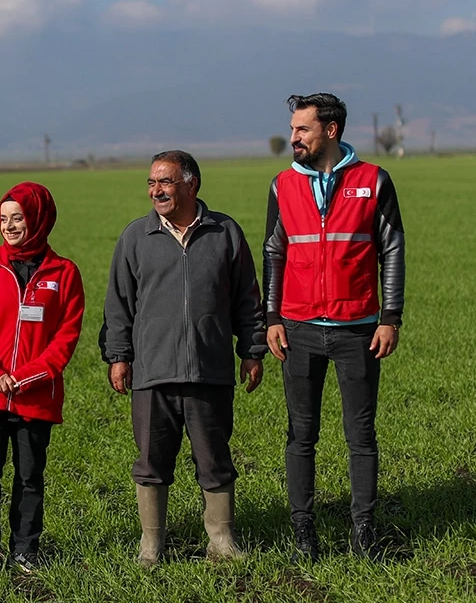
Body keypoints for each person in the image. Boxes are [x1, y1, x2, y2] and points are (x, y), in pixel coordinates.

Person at [99, 150, 266, 567]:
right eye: (152, 183)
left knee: (215, 459)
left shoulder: (225, 232)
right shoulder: (136, 237)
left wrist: (251, 350)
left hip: (210, 370)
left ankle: (221, 541)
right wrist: (119, 356)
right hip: (152, 372)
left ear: (192, 184)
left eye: (166, 182)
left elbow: (247, 298)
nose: (157, 191)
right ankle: (151, 545)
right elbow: (118, 305)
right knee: (151, 461)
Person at [263, 93, 406, 562]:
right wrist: (271, 318)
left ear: (330, 130)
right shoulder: (283, 185)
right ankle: (303, 532)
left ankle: (364, 531)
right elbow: (273, 252)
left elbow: (392, 250)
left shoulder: (373, 181)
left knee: (360, 436)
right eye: (292, 128)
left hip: (358, 330)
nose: (293, 137)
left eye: (302, 129)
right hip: (299, 329)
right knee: (301, 435)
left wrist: (390, 317)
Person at [0, 181, 85, 573]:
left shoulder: (64, 273)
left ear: (39, 218)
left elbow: (66, 335)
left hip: (35, 395)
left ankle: (26, 548)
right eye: (3, 219)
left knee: (30, 477)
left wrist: (25, 377)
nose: (9, 226)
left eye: (18, 217)